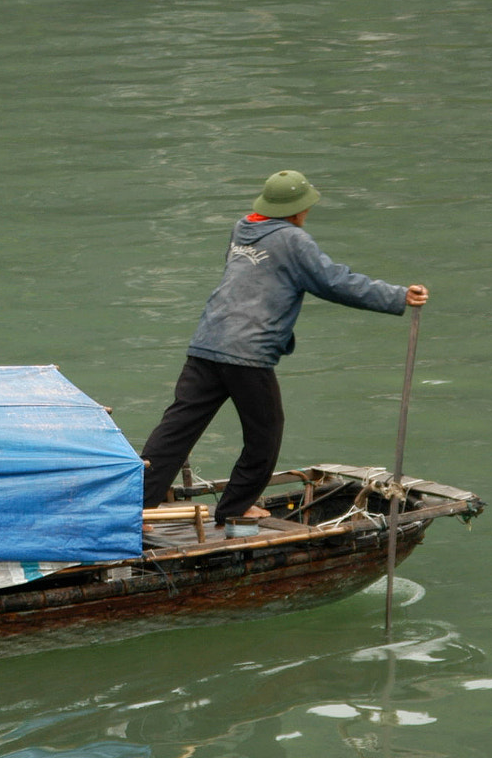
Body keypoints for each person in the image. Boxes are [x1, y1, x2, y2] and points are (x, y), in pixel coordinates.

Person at [141, 169, 428, 523]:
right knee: (265, 433)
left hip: (207, 342)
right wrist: (398, 296)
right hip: (247, 353)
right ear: (298, 210)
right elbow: (335, 282)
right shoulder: (294, 241)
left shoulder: (242, 228)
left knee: (176, 429)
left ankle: (137, 502)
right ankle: (234, 507)